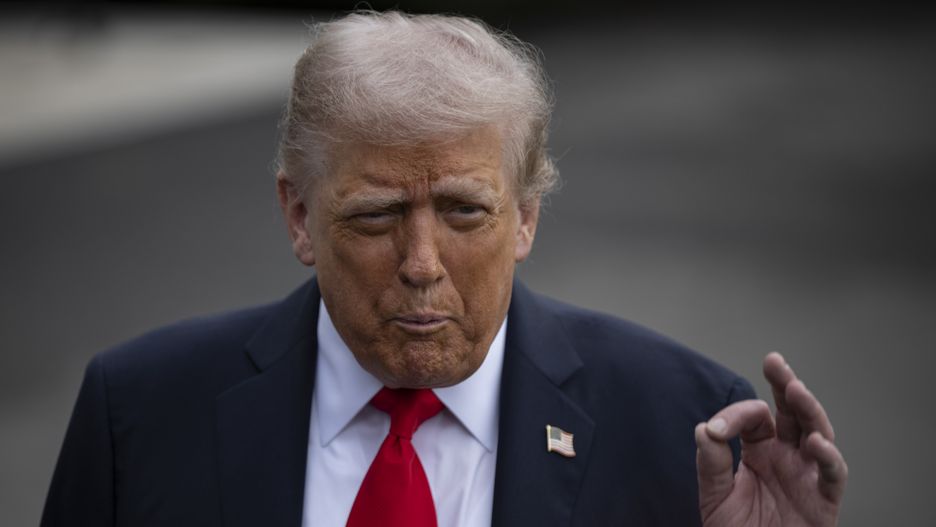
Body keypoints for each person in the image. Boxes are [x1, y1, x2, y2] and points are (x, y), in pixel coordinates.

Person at [41, 10, 847, 527]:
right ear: (299, 216)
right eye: (376, 215)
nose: (422, 265)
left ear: (525, 215)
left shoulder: (687, 428)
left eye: (464, 211)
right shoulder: (137, 416)